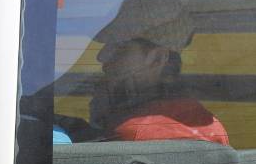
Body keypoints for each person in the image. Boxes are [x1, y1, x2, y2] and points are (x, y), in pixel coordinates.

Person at [94, 37, 229, 145]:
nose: (101, 56)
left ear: (157, 57)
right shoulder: (213, 128)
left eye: (120, 47)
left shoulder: (132, 134)